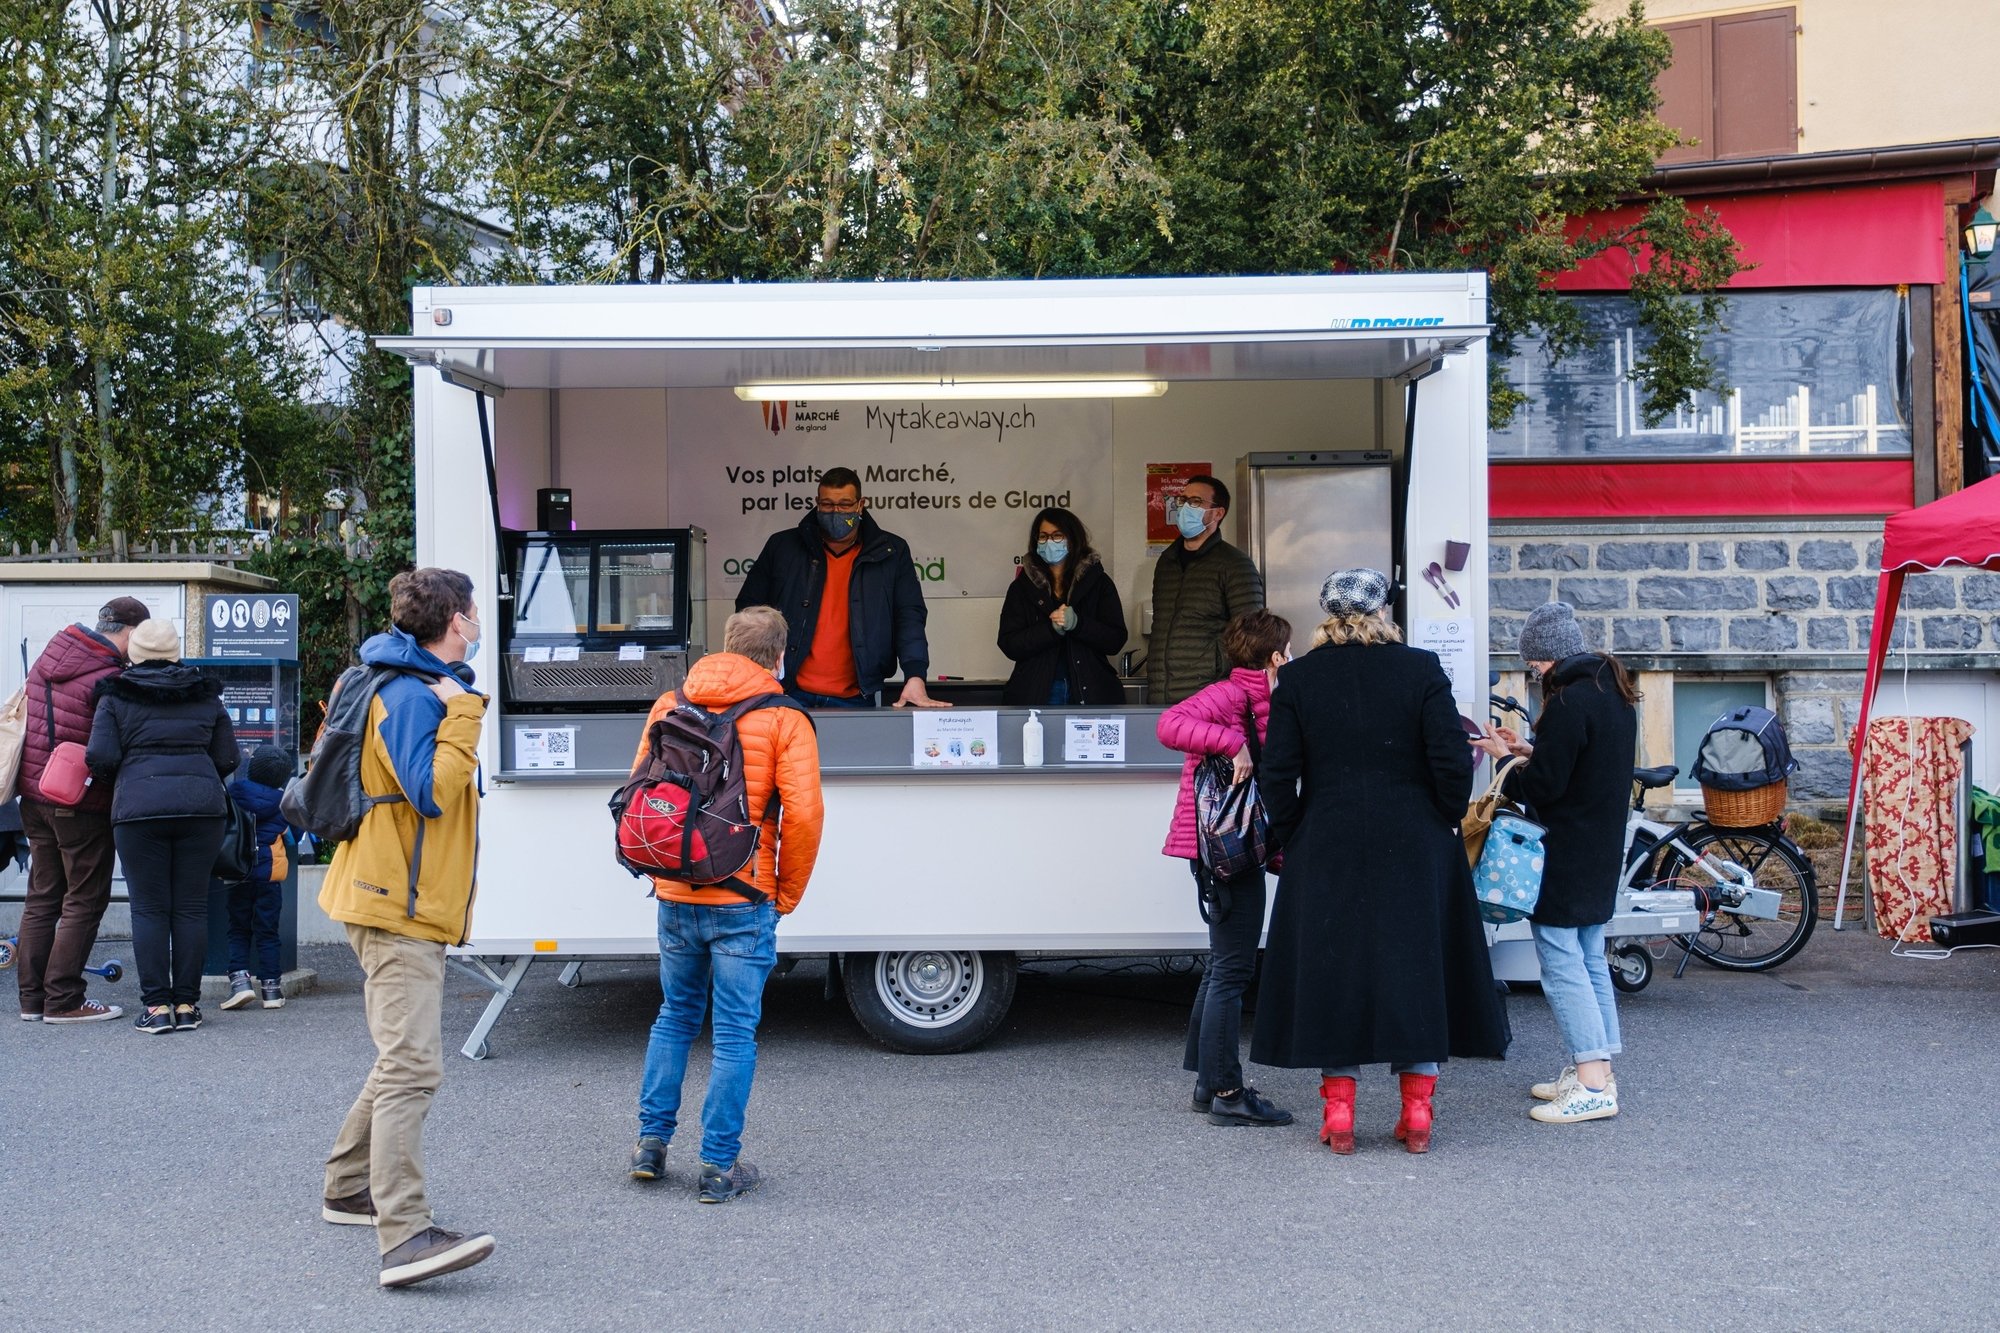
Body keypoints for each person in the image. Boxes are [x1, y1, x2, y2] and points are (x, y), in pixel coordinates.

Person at [1253, 569, 1509, 1154]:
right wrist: (1442, 815)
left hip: (1326, 841)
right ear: (1383, 612)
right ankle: (1416, 1113)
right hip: (1415, 840)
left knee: (1332, 968)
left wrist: (1295, 831)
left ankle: (1340, 1115)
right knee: (1413, 965)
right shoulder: (1419, 669)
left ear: (1327, 614)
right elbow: (1450, 758)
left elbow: (1277, 772)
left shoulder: (1296, 678)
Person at [317, 568, 495, 1289]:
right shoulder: (415, 695)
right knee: (413, 1066)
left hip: (387, 894)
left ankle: (347, 1186)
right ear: (455, 619)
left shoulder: (396, 675)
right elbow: (430, 792)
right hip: (398, 906)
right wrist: (466, 715)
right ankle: (405, 1236)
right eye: (474, 608)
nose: (480, 618)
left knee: (398, 1055)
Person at [628, 605, 824, 1203]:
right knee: (735, 1033)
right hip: (744, 896)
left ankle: (650, 1146)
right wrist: (785, 893)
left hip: (675, 891)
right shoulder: (785, 718)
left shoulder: (670, 704)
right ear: (780, 656)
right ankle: (717, 1168)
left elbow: (642, 788)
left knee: (674, 1017)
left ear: (727, 647)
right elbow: (806, 817)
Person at [1471, 601, 1639, 1127]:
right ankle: (1599, 1070)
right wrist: (1531, 747)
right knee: (1589, 956)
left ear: (1547, 659)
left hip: (1564, 850)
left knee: (1562, 961)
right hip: (1600, 846)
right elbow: (1581, 764)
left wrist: (1504, 758)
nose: (1534, 674)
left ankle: (1591, 1084)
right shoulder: (1611, 692)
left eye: (1534, 665)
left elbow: (1544, 786)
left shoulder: (1568, 702)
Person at [1158, 609, 1294, 1127]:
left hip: (1232, 849)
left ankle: (1206, 1082)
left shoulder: (1262, 700)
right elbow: (1169, 724)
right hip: (1224, 851)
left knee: (1222, 965)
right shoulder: (1231, 696)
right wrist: (1232, 742)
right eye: (1289, 649)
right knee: (1233, 969)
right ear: (1275, 655)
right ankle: (1228, 1092)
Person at [84, 618, 238, 1035]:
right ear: (175, 652)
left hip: (138, 810)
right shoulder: (206, 694)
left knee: (149, 909)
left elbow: (99, 755)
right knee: (190, 907)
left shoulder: (115, 695)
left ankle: (156, 1009)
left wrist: (130, 775)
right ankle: (187, 1005)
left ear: (133, 653)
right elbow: (228, 757)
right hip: (201, 810)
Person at [14, 595, 146, 1025]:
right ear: (128, 632)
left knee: (42, 897)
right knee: (85, 899)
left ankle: (32, 1000)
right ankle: (64, 1000)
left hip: (34, 796)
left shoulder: (48, 658)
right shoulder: (107, 676)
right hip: (80, 802)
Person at [736, 466, 947, 709]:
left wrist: (915, 674)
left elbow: (909, 616)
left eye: (845, 504)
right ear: (817, 503)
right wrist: (758, 669)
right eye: (827, 504)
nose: (836, 511)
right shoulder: (782, 546)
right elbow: (749, 612)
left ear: (861, 505)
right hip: (786, 691)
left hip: (857, 695)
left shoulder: (892, 551)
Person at [1147, 474, 1264, 706]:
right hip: (1161, 694)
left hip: (1210, 695)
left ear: (1217, 513)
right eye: (1182, 500)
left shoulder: (1235, 563)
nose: (1185, 507)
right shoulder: (1167, 562)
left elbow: (1251, 632)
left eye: (1195, 501)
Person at [998, 507, 1128, 707]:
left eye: (1057, 536)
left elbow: (1115, 640)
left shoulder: (1099, 582)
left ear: (1072, 538)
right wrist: (1050, 630)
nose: (1049, 542)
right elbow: (1009, 643)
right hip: (1036, 692)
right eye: (1043, 536)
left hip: (1092, 691)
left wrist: (1079, 624)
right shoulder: (1021, 587)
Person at [219, 745, 299, 1013]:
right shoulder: (284, 802)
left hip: (238, 871)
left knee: (238, 929)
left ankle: (240, 984)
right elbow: (294, 836)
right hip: (269, 876)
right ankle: (272, 991)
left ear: (251, 769)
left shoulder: (234, 793)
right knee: (268, 931)